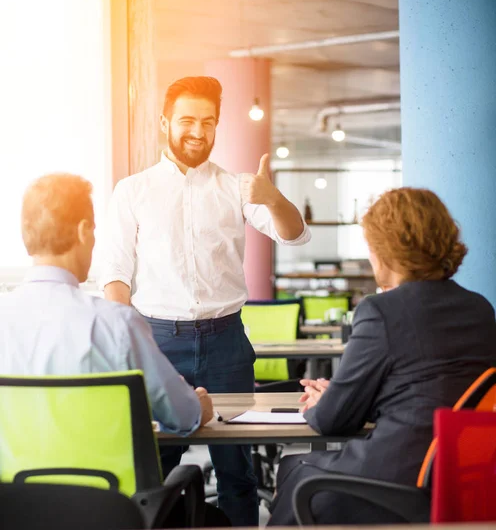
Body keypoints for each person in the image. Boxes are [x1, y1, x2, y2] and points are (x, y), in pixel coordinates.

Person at [101, 76, 311, 526]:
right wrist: (129, 345)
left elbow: (294, 234)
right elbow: (114, 276)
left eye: (209, 121)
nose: (198, 131)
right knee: (155, 469)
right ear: (165, 123)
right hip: (158, 342)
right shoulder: (132, 191)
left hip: (226, 342)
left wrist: (273, 197)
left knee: (237, 472)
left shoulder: (237, 187)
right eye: (188, 120)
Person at [268, 187, 496, 526]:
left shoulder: (381, 311)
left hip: (394, 482)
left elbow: (333, 421)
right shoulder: (479, 308)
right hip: (458, 478)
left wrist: (324, 402)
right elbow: (426, 390)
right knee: (297, 468)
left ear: (386, 249)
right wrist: (341, 395)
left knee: (294, 468)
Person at [0, 173, 213, 437]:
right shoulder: (116, 324)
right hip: (103, 478)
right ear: (83, 231)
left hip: (14, 477)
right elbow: (181, 415)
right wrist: (198, 407)